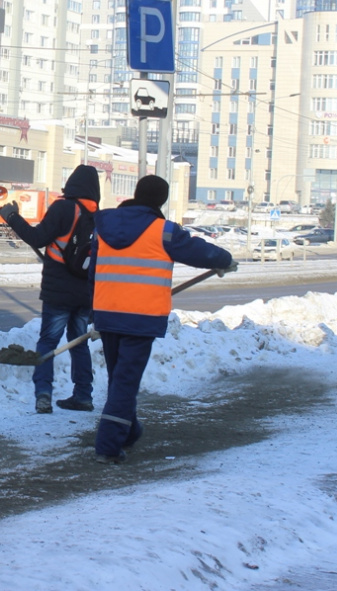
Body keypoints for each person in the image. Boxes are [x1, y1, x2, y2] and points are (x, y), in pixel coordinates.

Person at [90, 174, 235, 463]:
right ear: (162, 200)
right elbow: (198, 250)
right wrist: (225, 259)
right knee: (126, 380)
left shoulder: (103, 226)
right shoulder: (163, 231)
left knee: (120, 378)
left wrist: (92, 310)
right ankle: (107, 446)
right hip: (140, 318)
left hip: (107, 312)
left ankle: (129, 432)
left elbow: (93, 268)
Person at [0, 164, 99, 414]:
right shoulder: (98, 217)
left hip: (58, 291)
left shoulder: (64, 208)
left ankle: (43, 395)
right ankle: (83, 396)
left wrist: (12, 217)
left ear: (72, 185)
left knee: (48, 341)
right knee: (79, 343)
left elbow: (37, 238)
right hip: (85, 293)